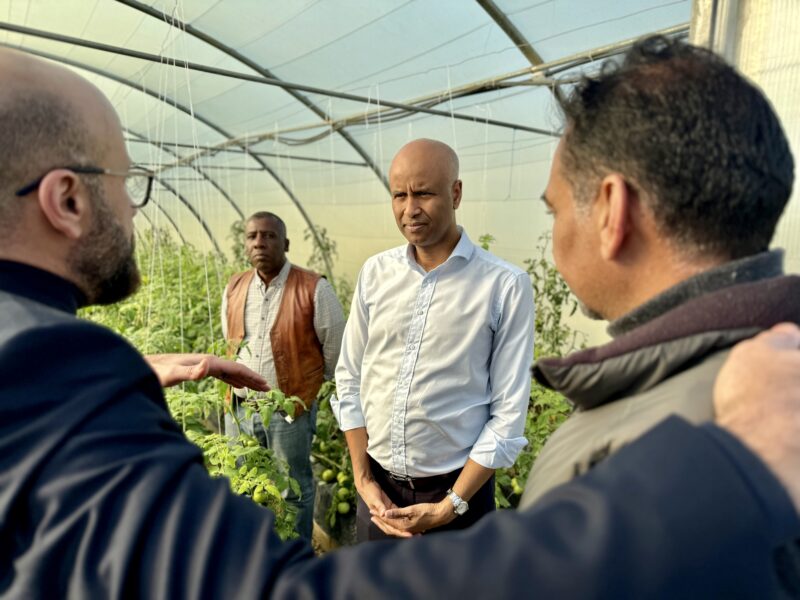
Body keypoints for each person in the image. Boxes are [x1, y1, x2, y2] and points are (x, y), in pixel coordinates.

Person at [2, 45, 800, 599]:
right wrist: (734, 473)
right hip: (382, 494)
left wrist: (453, 504)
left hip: (449, 501)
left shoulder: (507, 293)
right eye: (124, 182)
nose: (138, 207)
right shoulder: (45, 371)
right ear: (66, 199)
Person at [520, 35, 798, 507]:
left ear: (612, 209)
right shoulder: (777, 384)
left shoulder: (634, 460)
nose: (555, 236)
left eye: (556, 211)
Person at [332, 139, 535, 540]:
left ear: (456, 193)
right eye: (399, 195)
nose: (410, 209)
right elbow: (350, 378)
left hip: (459, 498)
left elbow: (508, 415)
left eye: (424, 192)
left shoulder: (503, 285)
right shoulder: (376, 273)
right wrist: (362, 479)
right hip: (377, 494)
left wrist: (448, 508)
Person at [221, 211, 345, 541]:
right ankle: (250, 551)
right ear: (245, 244)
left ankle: (294, 556)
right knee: (241, 484)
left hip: (287, 412)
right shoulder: (234, 287)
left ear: (286, 243)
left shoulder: (314, 289)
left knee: (293, 489)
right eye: (252, 236)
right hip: (240, 408)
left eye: (269, 235)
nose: (259, 242)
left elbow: (334, 350)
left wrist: (308, 394)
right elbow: (231, 342)